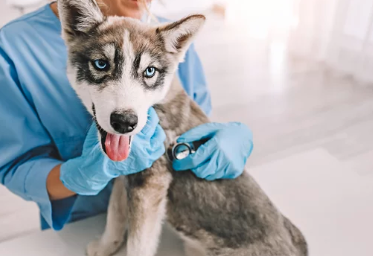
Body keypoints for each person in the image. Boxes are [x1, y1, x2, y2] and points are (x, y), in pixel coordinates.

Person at [0, 0, 254, 231]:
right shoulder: (15, 47)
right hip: (84, 227)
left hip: (171, 218)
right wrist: (78, 176)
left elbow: (194, 120)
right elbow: (15, 167)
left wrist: (219, 141)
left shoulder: (164, 33)